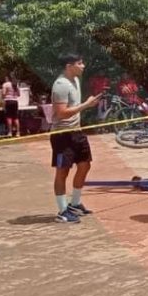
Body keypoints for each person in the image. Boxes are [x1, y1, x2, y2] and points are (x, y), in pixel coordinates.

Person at [49, 54, 101, 223]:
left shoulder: (76, 81)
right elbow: (61, 113)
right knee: (62, 171)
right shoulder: (61, 85)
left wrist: (87, 104)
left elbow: (74, 107)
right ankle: (62, 211)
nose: (83, 66)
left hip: (77, 132)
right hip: (62, 135)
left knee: (85, 165)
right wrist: (86, 105)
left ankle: (75, 203)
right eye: (79, 63)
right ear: (69, 66)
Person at [1, 73, 20, 138]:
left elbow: (3, 94)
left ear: (7, 78)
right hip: (15, 101)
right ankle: (18, 132)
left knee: (9, 117)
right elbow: (19, 94)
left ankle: (10, 132)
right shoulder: (15, 84)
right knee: (16, 117)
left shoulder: (5, 84)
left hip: (8, 101)